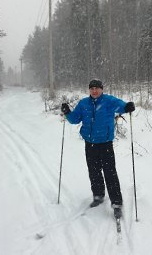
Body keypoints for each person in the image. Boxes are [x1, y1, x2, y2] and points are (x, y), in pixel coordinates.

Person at [61, 79, 135, 219]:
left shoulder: (108, 101)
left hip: (105, 143)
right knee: (94, 171)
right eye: (92, 88)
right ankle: (98, 195)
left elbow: (121, 106)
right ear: (89, 90)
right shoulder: (83, 103)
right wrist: (67, 112)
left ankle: (117, 203)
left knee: (110, 172)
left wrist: (127, 107)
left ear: (101, 89)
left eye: (97, 88)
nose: (94, 91)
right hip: (90, 144)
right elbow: (75, 119)